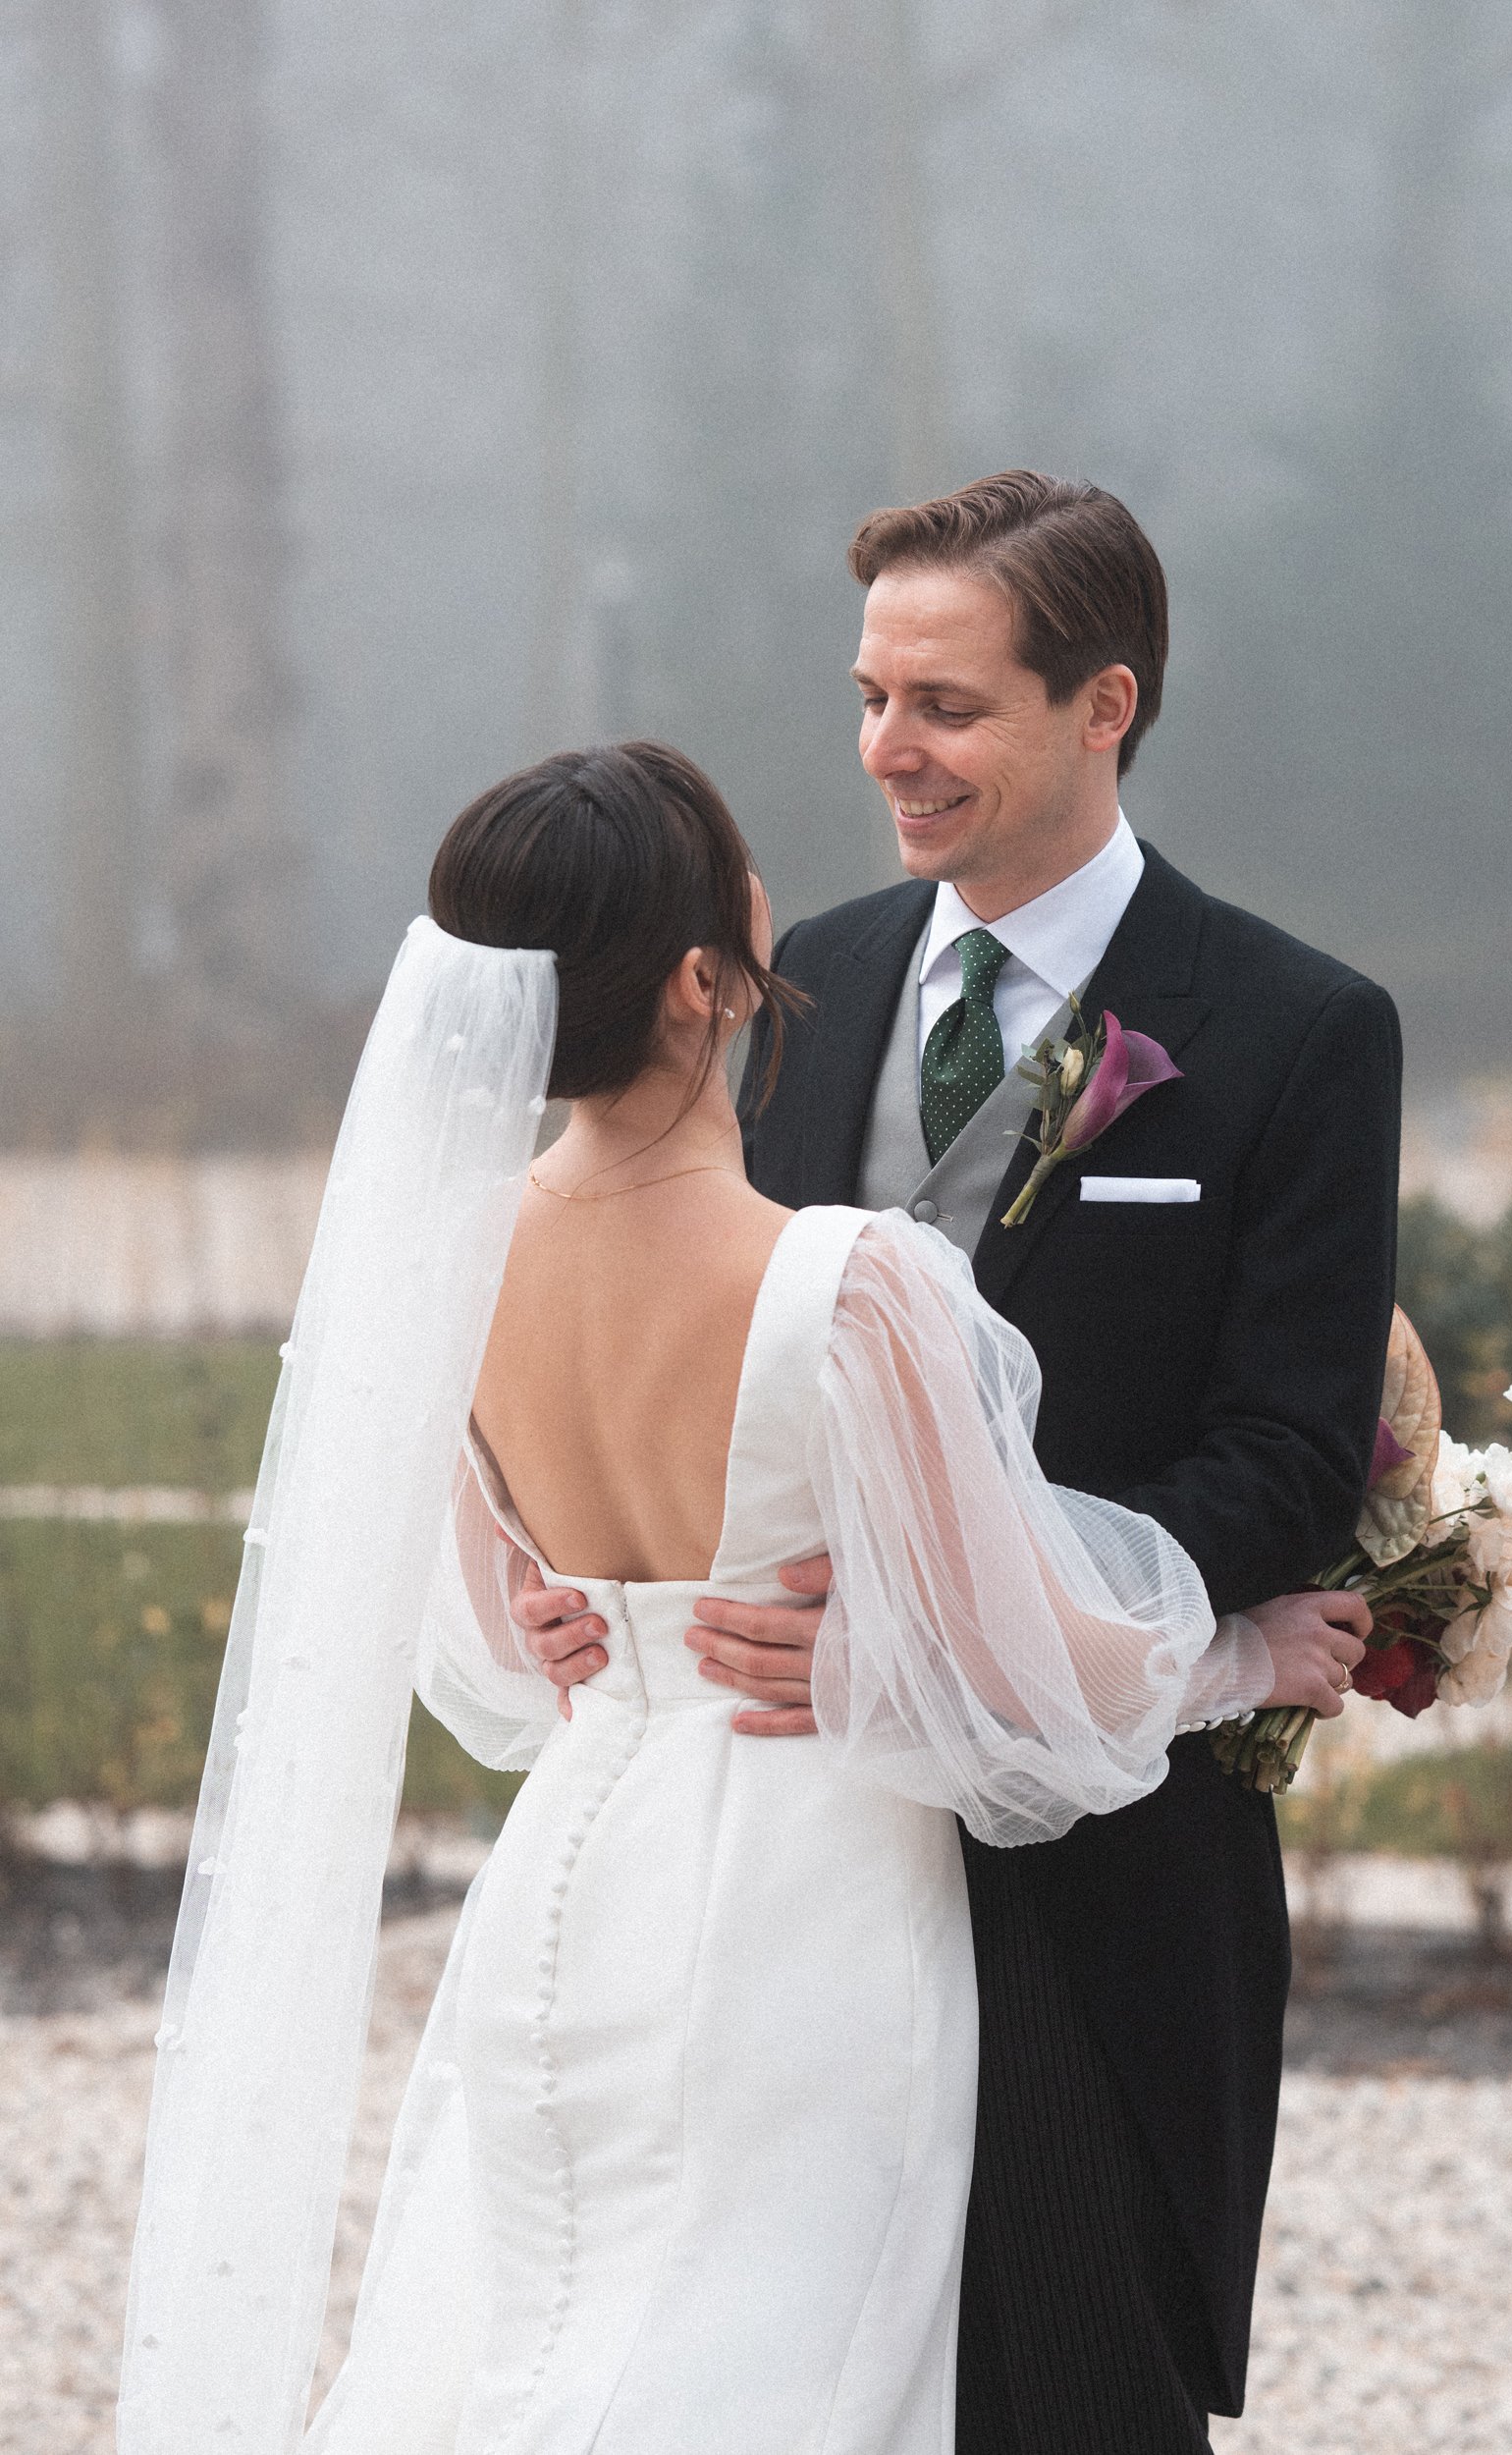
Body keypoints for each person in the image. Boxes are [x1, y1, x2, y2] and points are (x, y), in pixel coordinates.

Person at [118, 739, 1365, 2455]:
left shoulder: (450, 1263)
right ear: (710, 979)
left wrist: (574, 1614)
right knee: (772, 2382)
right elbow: (1039, 1673)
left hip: (565, 1876)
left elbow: (503, 1633)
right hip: (805, 1902)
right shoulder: (852, 1284)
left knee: (529, 2357)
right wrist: (1252, 1652)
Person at [533, 474, 1403, 2453]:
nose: (884, 752)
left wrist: (966, 1617)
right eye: (868, 696)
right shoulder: (782, 987)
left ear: (1104, 706)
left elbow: (1282, 1464)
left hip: (1095, 1857)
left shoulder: (1294, 1028)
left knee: (1078, 2389)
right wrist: (557, 1543)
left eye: (944, 704)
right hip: (778, 1839)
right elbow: (649, 1309)